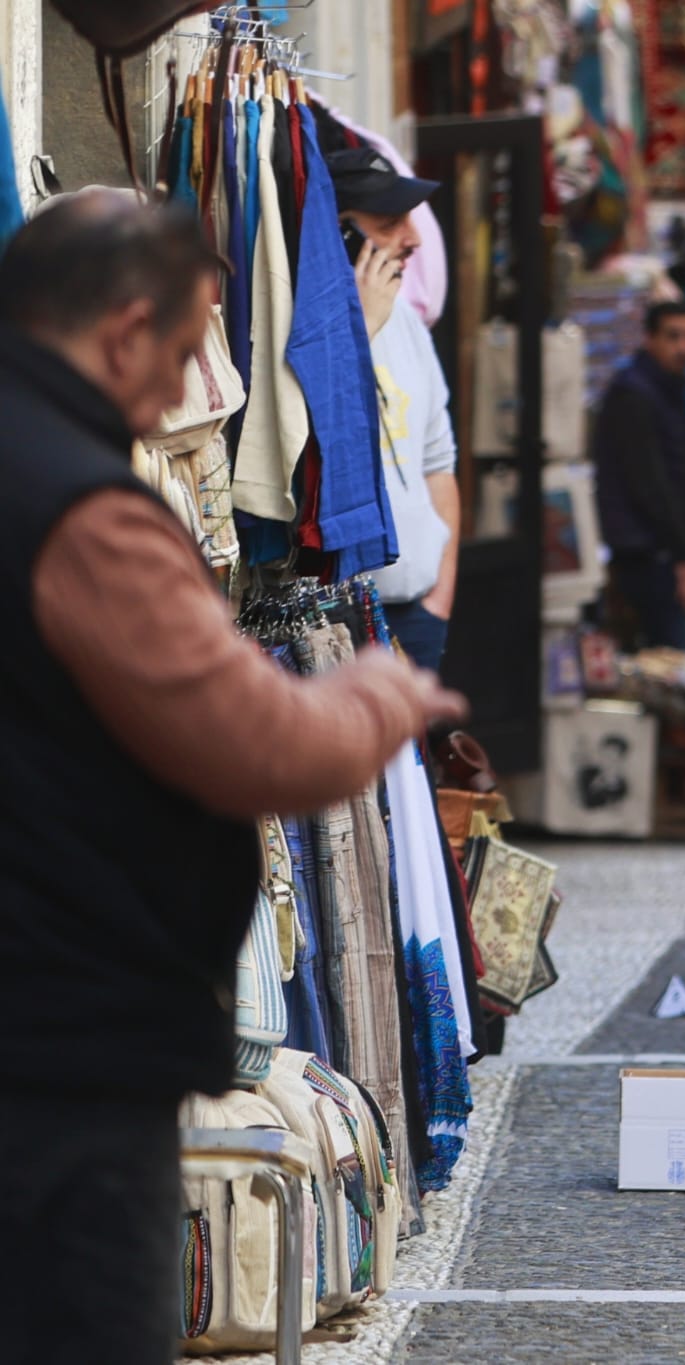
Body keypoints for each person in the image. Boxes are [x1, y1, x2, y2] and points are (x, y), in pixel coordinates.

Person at [0, 192, 466, 1363]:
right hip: (58, 1026)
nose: (186, 392)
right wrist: (377, 698)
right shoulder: (84, 510)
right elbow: (255, 741)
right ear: (121, 331)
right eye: (181, 350)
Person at [329, 146, 461, 673]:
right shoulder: (304, 327)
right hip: (335, 624)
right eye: (389, 224)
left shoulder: (407, 321)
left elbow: (439, 465)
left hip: (418, 613)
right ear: (341, 233)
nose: (414, 239)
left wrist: (440, 595)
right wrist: (361, 328)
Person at [596, 301, 685, 649]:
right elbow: (650, 483)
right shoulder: (636, 393)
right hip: (648, 551)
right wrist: (681, 553)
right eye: (673, 337)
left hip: (656, 548)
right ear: (650, 339)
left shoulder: (666, 387)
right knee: (666, 657)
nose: (684, 347)